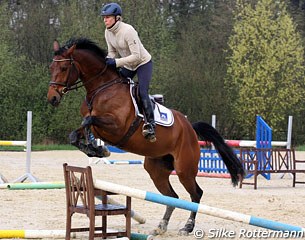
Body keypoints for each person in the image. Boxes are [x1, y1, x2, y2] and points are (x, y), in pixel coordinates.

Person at [100, 2, 156, 143]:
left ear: (117, 18)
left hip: (143, 63)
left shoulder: (128, 31)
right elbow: (112, 51)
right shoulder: (107, 32)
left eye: (108, 17)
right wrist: (107, 63)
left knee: (142, 91)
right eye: (104, 17)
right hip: (129, 66)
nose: (105, 20)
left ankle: (151, 124)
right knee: (115, 87)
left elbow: (137, 57)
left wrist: (116, 62)